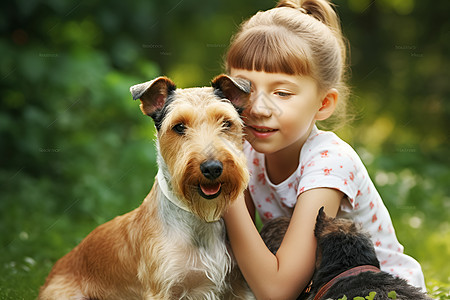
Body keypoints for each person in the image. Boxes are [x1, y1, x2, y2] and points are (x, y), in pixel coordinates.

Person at [222, 0, 426, 299]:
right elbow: (234, 254)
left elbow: (278, 289)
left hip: (376, 292)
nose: (259, 108)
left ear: (324, 103)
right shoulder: (247, 153)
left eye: (282, 92)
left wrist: (225, 187)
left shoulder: (330, 162)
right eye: (245, 89)